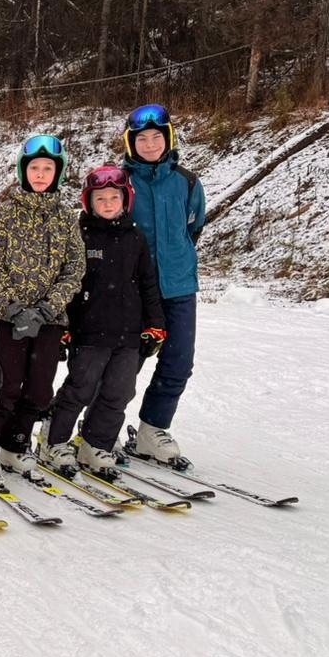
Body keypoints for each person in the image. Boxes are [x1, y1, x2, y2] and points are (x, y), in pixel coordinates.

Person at [0, 135, 85, 489]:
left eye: (47, 168)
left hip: (49, 318)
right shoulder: (6, 211)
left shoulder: (66, 216)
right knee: (8, 386)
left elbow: (74, 268)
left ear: (58, 172)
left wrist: (47, 308)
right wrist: (15, 307)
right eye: (34, 168)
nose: (41, 174)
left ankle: (14, 444)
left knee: (39, 391)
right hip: (8, 316)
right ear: (23, 171)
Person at [38, 166, 165, 479]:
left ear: (125, 199)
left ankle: (96, 444)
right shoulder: (79, 236)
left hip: (129, 334)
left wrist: (155, 324)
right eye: (100, 198)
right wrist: (63, 327)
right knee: (80, 389)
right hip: (89, 332)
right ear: (89, 202)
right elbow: (66, 284)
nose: (108, 204)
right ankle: (54, 440)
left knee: (118, 393)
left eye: (114, 197)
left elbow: (148, 284)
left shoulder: (136, 238)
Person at [122, 104, 205, 466]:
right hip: (135, 290)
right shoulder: (120, 183)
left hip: (179, 287)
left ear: (168, 138)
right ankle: (96, 424)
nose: (151, 144)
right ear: (131, 143)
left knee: (178, 362)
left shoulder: (187, 182)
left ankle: (152, 429)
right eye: (142, 139)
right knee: (124, 364)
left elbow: (194, 227)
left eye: (157, 137)